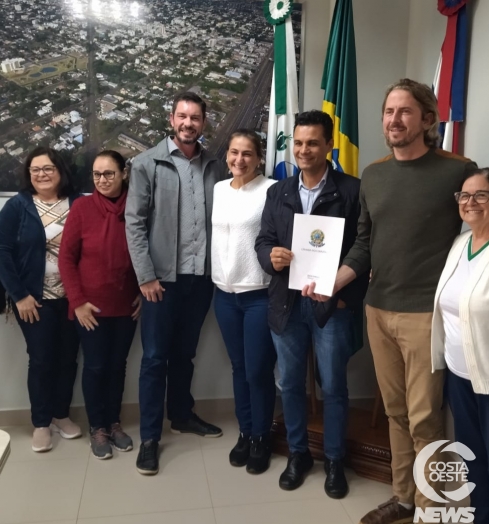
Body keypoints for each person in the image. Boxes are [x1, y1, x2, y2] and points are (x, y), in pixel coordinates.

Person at [304, 79, 476, 523]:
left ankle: (433, 507)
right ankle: (404, 498)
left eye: (404, 111)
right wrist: (331, 282)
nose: (394, 119)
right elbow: (363, 244)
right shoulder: (375, 176)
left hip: (425, 314)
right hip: (378, 309)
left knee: (424, 418)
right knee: (397, 413)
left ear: (427, 120)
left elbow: (480, 238)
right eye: (388, 111)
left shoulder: (457, 172)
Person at [255, 110, 368, 499]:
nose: (304, 150)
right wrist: (271, 256)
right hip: (286, 305)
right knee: (288, 383)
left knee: (333, 385)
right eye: (298, 143)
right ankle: (299, 454)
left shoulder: (352, 191)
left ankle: (335, 459)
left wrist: (340, 295)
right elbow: (263, 240)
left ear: (329, 146)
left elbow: (363, 249)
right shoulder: (278, 192)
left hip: (330, 306)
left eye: (313, 143)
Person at [125, 91, 225, 475]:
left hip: (200, 279)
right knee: (154, 360)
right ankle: (150, 438)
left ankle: (182, 415)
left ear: (203, 123)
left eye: (196, 118)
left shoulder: (214, 164)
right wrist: (146, 276)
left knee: (185, 354)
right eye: (182, 116)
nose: (189, 123)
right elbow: (134, 223)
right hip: (160, 283)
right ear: (172, 119)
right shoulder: (147, 163)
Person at [432, 168, 489, 524]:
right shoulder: (460, 244)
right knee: (473, 463)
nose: (470, 203)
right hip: (459, 378)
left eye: (481, 195)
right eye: (464, 196)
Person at [59, 151, 141, 460]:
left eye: (108, 174)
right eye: (96, 174)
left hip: (126, 304)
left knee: (117, 367)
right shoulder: (82, 207)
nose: (102, 180)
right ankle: (98, 428)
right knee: (95, 367)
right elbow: (66, 259)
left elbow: (147, 250)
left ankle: (114, 422)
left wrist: (143, 294)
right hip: (89, 309)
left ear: (123, 174)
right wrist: (78, 302)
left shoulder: (136, 205)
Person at [0, 147, 82, 452]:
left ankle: (61, 415)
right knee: (42, 360)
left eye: (48, 169)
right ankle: (41, 422)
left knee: (68, 359)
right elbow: (2, 252)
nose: (42, 175)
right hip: (34, 302)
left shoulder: (77, 204)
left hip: (73, 299)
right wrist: (19, 295)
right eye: (35, 170)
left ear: (60, 171)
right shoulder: (18, 206)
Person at [212, 129, 277, 475]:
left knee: (257, 370)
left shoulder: (270, 190)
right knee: (239, 368)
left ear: (259, 158)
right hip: (223, 295)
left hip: (258, 294)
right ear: (227, 155)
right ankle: (246, 431)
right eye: (234, 152)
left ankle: (261, 437)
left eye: (247, 153)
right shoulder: (219, 189)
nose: (239, 160)